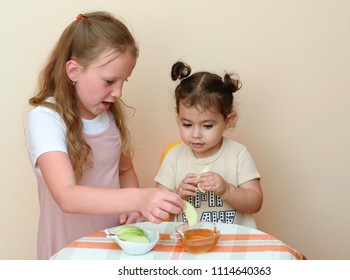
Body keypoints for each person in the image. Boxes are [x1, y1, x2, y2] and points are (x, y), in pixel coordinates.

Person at [25, 11, 184, 260]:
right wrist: (139, 198)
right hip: (67, 253)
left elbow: (124, 170)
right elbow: (66, 195)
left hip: (114, 249)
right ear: (74, 71)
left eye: (123, 81)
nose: (118, 92)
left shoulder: (111, 115)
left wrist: (134, 210)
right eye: (109, 81)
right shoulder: (46, 118)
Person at [155, 61, 263, 228]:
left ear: (228, 120)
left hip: (233, 245)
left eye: (207, 126)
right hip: (188, 245)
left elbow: (255, 203)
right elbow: (158, 208)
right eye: (187, 124)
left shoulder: (238, 154)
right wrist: (178, 195)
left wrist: (227, 190)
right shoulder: (173, 158)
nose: (196, 135)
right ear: (178, 116)